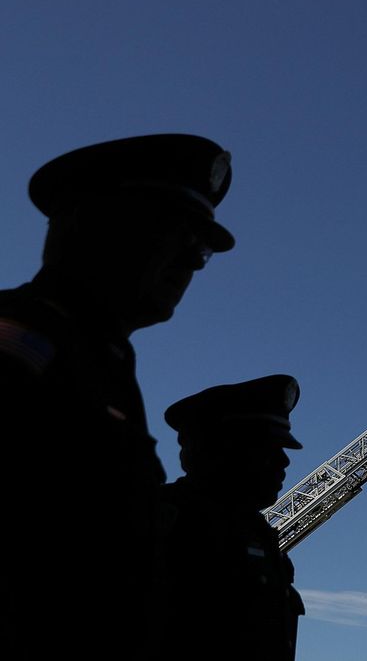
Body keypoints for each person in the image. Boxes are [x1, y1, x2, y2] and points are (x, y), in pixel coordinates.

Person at [0, 134, 236, 659]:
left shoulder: (103, 362)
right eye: (175, 236)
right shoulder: (20, 340)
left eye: (200, 249)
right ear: (94, 227)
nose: (192, 264)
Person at [156, 374, 306, 661]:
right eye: (267, 448)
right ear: (221, 451)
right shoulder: (164, 523)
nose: (283, 461)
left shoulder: (259, 537)